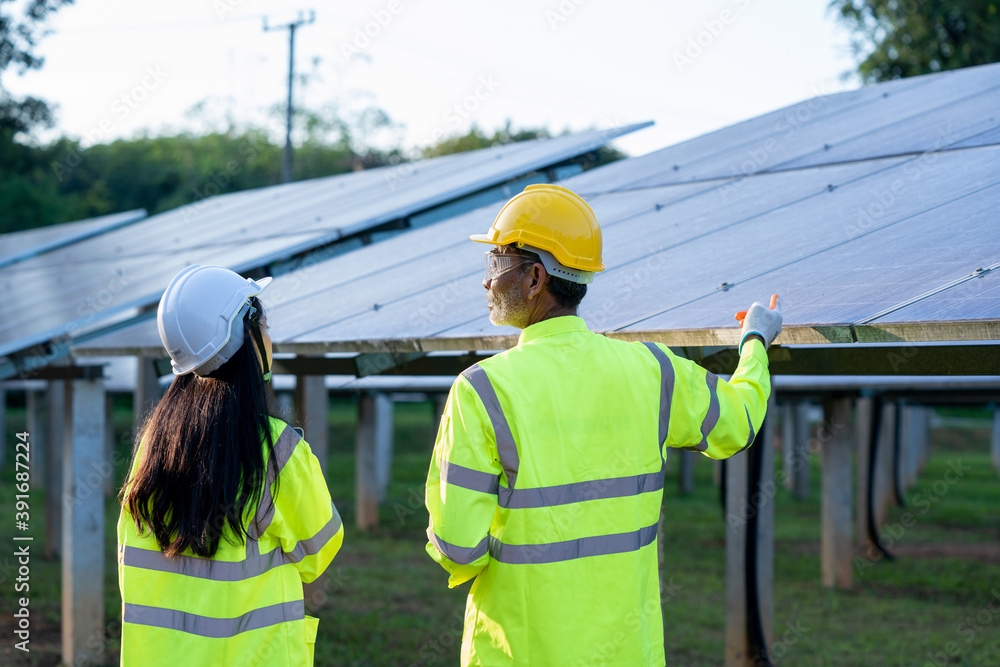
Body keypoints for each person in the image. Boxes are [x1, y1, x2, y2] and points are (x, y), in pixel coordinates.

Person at [423, 184, 782, 666]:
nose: (486, 282)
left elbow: (458, 548)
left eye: (495, 263)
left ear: (534, 277)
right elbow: (737, 422)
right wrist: (755, 341)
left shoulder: (481, 390)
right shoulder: (653, 371)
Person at [117, 264, 343, 666]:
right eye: (265, 326)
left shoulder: (153, 444)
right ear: (244, 336)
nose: (270, 339)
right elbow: (318, 553)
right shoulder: (278, 450)